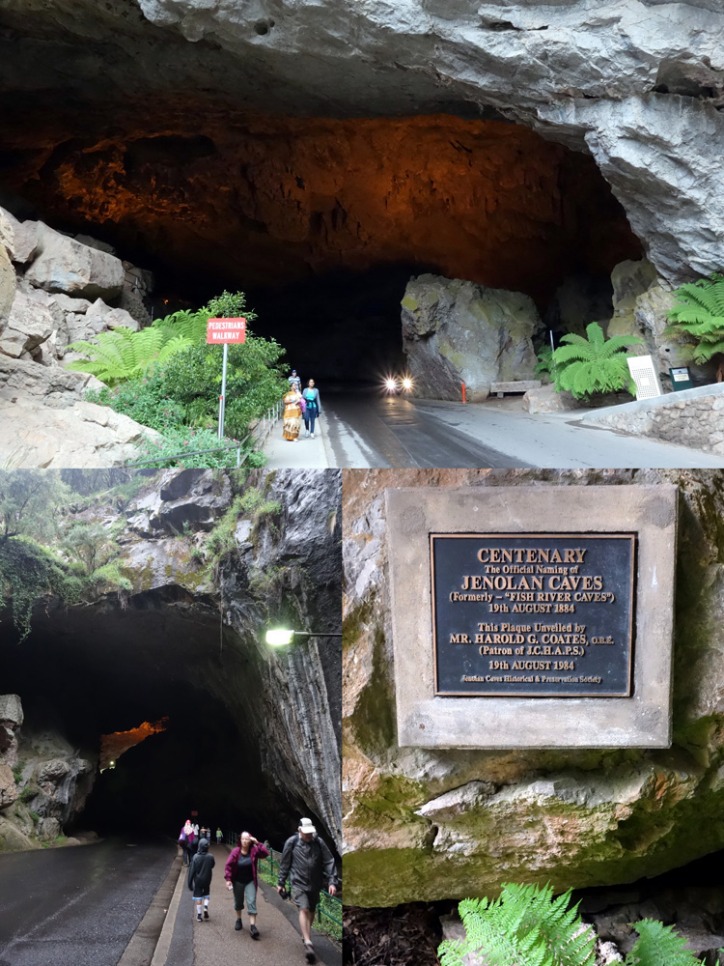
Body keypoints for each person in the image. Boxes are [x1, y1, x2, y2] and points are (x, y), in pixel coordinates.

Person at [277, 817, 338, 964]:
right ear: (299, 830)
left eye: (310, 833)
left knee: (311, 910)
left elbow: (329, 861)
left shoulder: (318, 842)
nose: (309, 836)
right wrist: (281, 882)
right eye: (306, 833)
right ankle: (309, 943)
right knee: (303, 909)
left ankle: (306, 935)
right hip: (298, 883)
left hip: (315, 884)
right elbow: (285, 863)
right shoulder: (292, 843)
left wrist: (332, 882)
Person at [224, 831, 270, 938]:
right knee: (238, 902)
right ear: (240, 840)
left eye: (247, 839)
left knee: (251, 901)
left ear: (250, 840)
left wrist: (257, 843)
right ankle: (239, 919)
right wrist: (228, 879)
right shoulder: (236, 852)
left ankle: (253, 926)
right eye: (243, 839)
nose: (245, 841)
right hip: (238, 881)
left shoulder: (254, 851)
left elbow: (265, 853)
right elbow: (228, 865)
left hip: (250, 881)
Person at [188, 837, 215, 922]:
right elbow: (212, 865)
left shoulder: (195, 857)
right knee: (206, 894)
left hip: (198, 881)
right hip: (207, 879)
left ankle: (199, 915)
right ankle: (205, 907)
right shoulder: (210, 856)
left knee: (198, 897)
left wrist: (190, 884)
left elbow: (192, 871)